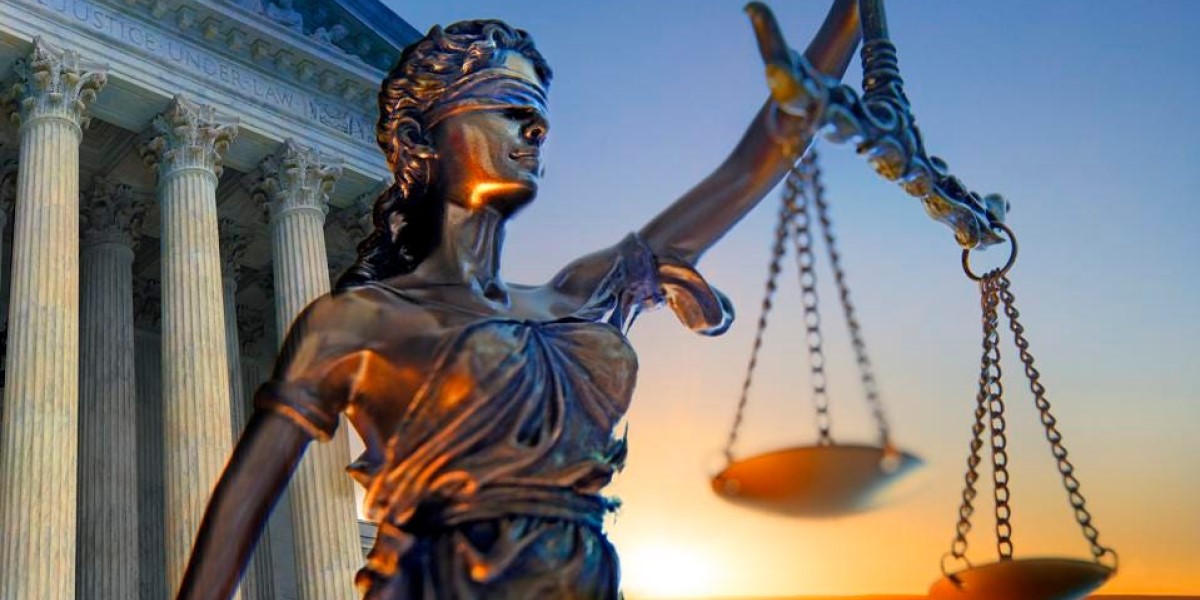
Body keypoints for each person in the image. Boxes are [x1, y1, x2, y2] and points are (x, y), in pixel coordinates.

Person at [177, 3, 862, 599]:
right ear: (420, 140)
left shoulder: (577, 292)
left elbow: (761, 156)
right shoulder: (356, 321)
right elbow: (239, 512)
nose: (535, 129)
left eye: (539, 116)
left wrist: (856, 19)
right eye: (506, 106)